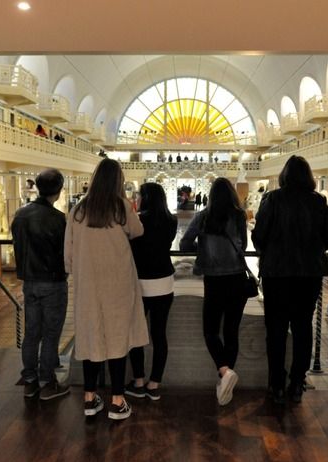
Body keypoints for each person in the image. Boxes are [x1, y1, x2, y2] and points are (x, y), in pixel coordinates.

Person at [64, 158, 148, 421]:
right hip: (118, 284)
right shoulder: (121, 207)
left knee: (91, 338)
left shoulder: (78, 210)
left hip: (88, 285)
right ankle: (117, 400)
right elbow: (138, 231)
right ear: (118, 181)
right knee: (117, 339)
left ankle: (89, 398)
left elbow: (68, 254)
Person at [252, 155, 328, 404]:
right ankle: (297, 383)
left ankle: (276, 383)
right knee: (302, 328)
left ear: (284, 176)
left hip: (276, 274)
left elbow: (258, 237)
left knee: (276, 330)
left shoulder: (273, 199)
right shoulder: (318, 202)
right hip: (308, 274)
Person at [180, 177, 248, 406]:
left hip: (214, 280)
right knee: (231, 332)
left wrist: (203, 250)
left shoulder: (203, 217)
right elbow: (243, 246)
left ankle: (225, 372)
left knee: (210, 331)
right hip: (237, 278)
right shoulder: (239, 216)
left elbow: (184, 244)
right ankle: (226, 379)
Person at [12, 169, 70, 401]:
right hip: (53, 282)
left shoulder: (20, 215)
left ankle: (29, 380)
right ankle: (47, 381)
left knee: (31, 332)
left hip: (30, 282)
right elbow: (64, 253)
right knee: (51, 333)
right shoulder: (57, 219)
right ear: (59, 190)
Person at [125, 183, 178, 401]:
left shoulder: (138, 220)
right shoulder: (171, 220)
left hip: (139, 281)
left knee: (137, 333)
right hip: (164, 281)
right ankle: (154, 383)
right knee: (159, 334)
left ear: (144, 197)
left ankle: (138, 381)